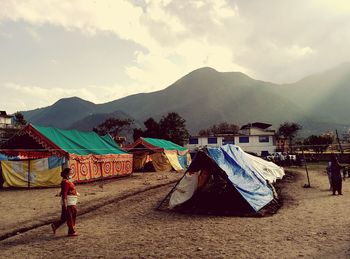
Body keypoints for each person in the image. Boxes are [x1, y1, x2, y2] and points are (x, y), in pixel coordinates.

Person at [51, 167, 79, 236]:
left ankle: (55, 225)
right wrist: (65, 203)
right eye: (70, 173)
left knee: (65, 217)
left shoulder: (67, 181)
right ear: (67, 174)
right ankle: (71, 231)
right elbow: (64, 193)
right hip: (69, 202)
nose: (72, 174)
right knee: (71, 216)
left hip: (71, 201)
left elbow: (64, 191)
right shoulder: (65, 182)